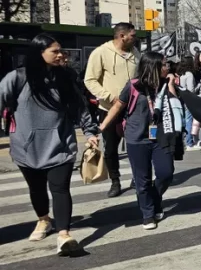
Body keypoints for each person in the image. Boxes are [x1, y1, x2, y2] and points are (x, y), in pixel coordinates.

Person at [0, 34, 100, 255]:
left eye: (61, 50)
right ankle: (44, 219)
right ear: (39, 53)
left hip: (60, 144)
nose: (60, 54)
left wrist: (90, 131)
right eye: (55, 51)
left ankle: (64, 235)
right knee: (36, 189)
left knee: (60, 188)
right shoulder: (17, 78)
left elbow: (81, 107)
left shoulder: (65, 78)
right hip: (27, 147)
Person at [99, 52, 182, 231]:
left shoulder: (165, 84)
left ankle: (155, 199)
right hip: (137, 138)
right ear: (153, 67)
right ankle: (148, 214)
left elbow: (176, 103)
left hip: (159, 136)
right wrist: (102, 127)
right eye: (164, 64)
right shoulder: (133, 86)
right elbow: (118, 106)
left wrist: (170, 84)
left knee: (166, 173)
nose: (167, 67)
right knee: (142, 180)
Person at [84, 22, 139, 197]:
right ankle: (115, 181)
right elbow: (90, 80)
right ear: (122, 36)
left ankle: (137, 177)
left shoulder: (135, 54)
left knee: (136, 145)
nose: (135, 39)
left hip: (132, 108)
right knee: (110, 149)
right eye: (132, 35)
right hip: (108, 109)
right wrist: (108, 96)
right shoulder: (100, 53)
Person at [177, 58, 199, 150]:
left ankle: (184, 140)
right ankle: (189, 143)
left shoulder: (180, 74)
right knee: (189, 120)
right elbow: (191, 89)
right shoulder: (189, 74)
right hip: (189, 99)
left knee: (183, 120)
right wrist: (198, 86)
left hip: (181, 99)